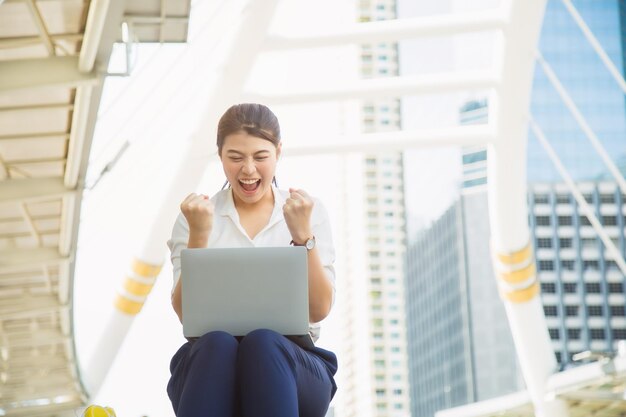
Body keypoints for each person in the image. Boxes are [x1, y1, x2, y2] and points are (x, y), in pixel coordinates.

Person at [166, 103, 338, 417]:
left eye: (260, 157)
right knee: (218, 343)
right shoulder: (196, 217)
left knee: (263, 343)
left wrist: (303, 237)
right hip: (211, 364)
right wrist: (199, 237)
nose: (248, 170)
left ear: (278, 153)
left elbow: (320, 309)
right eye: (235, 157)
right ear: (220, 156)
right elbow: (185, 315)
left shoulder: (306, 210)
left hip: (295, 366)